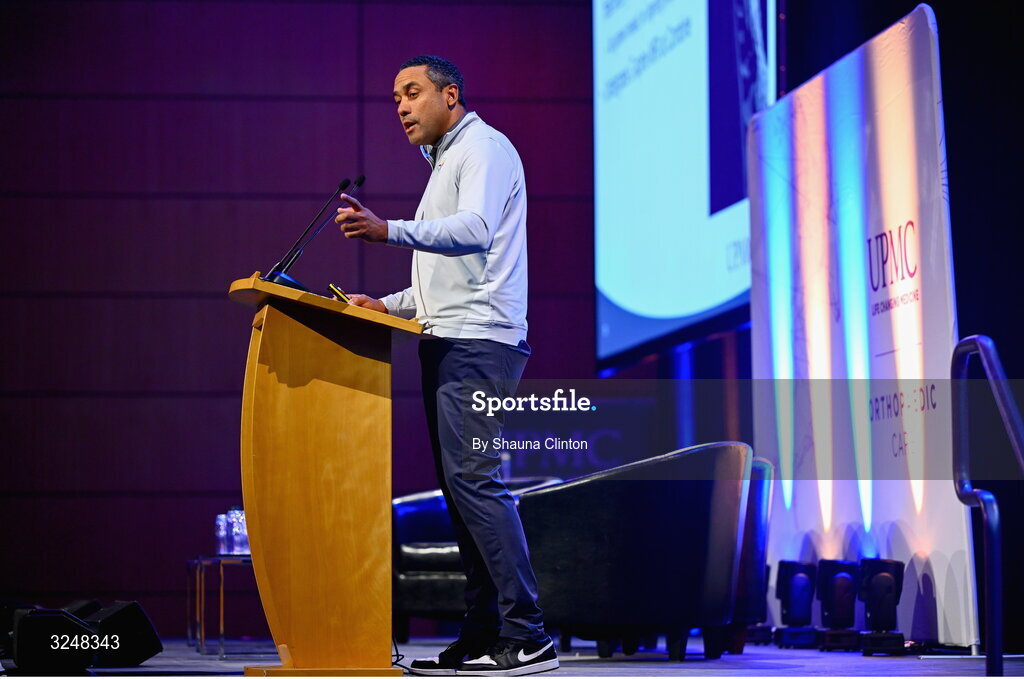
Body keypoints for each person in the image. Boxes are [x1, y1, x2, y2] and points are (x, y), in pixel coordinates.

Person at [333, 55, 558, 677]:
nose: (402, 108)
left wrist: (388, 231)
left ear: (450, 95)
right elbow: (446, 280)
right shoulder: (444, 163)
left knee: (476, 484)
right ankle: (483, 634)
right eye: (395, 99)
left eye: (412, 93)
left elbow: (477, 230)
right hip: (449, 337)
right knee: (462, 495)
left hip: (479, 342)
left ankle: (529, 635)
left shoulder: (483, 148)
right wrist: (388, 305)